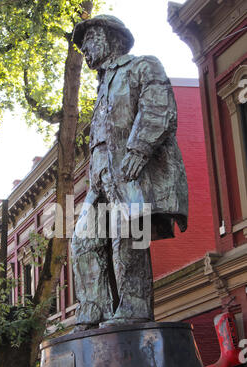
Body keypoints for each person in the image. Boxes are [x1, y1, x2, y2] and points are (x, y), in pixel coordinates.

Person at [71, 15, 188, 330]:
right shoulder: (101, 87)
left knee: (127, 236)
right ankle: (94, 310)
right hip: (99, 178)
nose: (84, 50)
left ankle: (134, 307)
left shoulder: (142, 66)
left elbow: (158, 108)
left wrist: (139, 149)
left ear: (112, 37)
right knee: (83, 241)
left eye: (89, 40)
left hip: (129, 172)